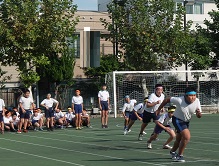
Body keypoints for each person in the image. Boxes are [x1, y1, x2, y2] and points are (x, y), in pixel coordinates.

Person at [156, 87, 202, 162]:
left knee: (179, 139)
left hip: (186, 121)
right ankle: (180, 156)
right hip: (177, 119)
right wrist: (159, 109)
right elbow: (167, 99)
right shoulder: (179, 100)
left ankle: (173, 151)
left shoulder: (197, 101)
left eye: (194, 95)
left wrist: (198, 113)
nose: (193, 97)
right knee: (187, 136)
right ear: (186, 95)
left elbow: (199, 116)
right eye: (191, 95)